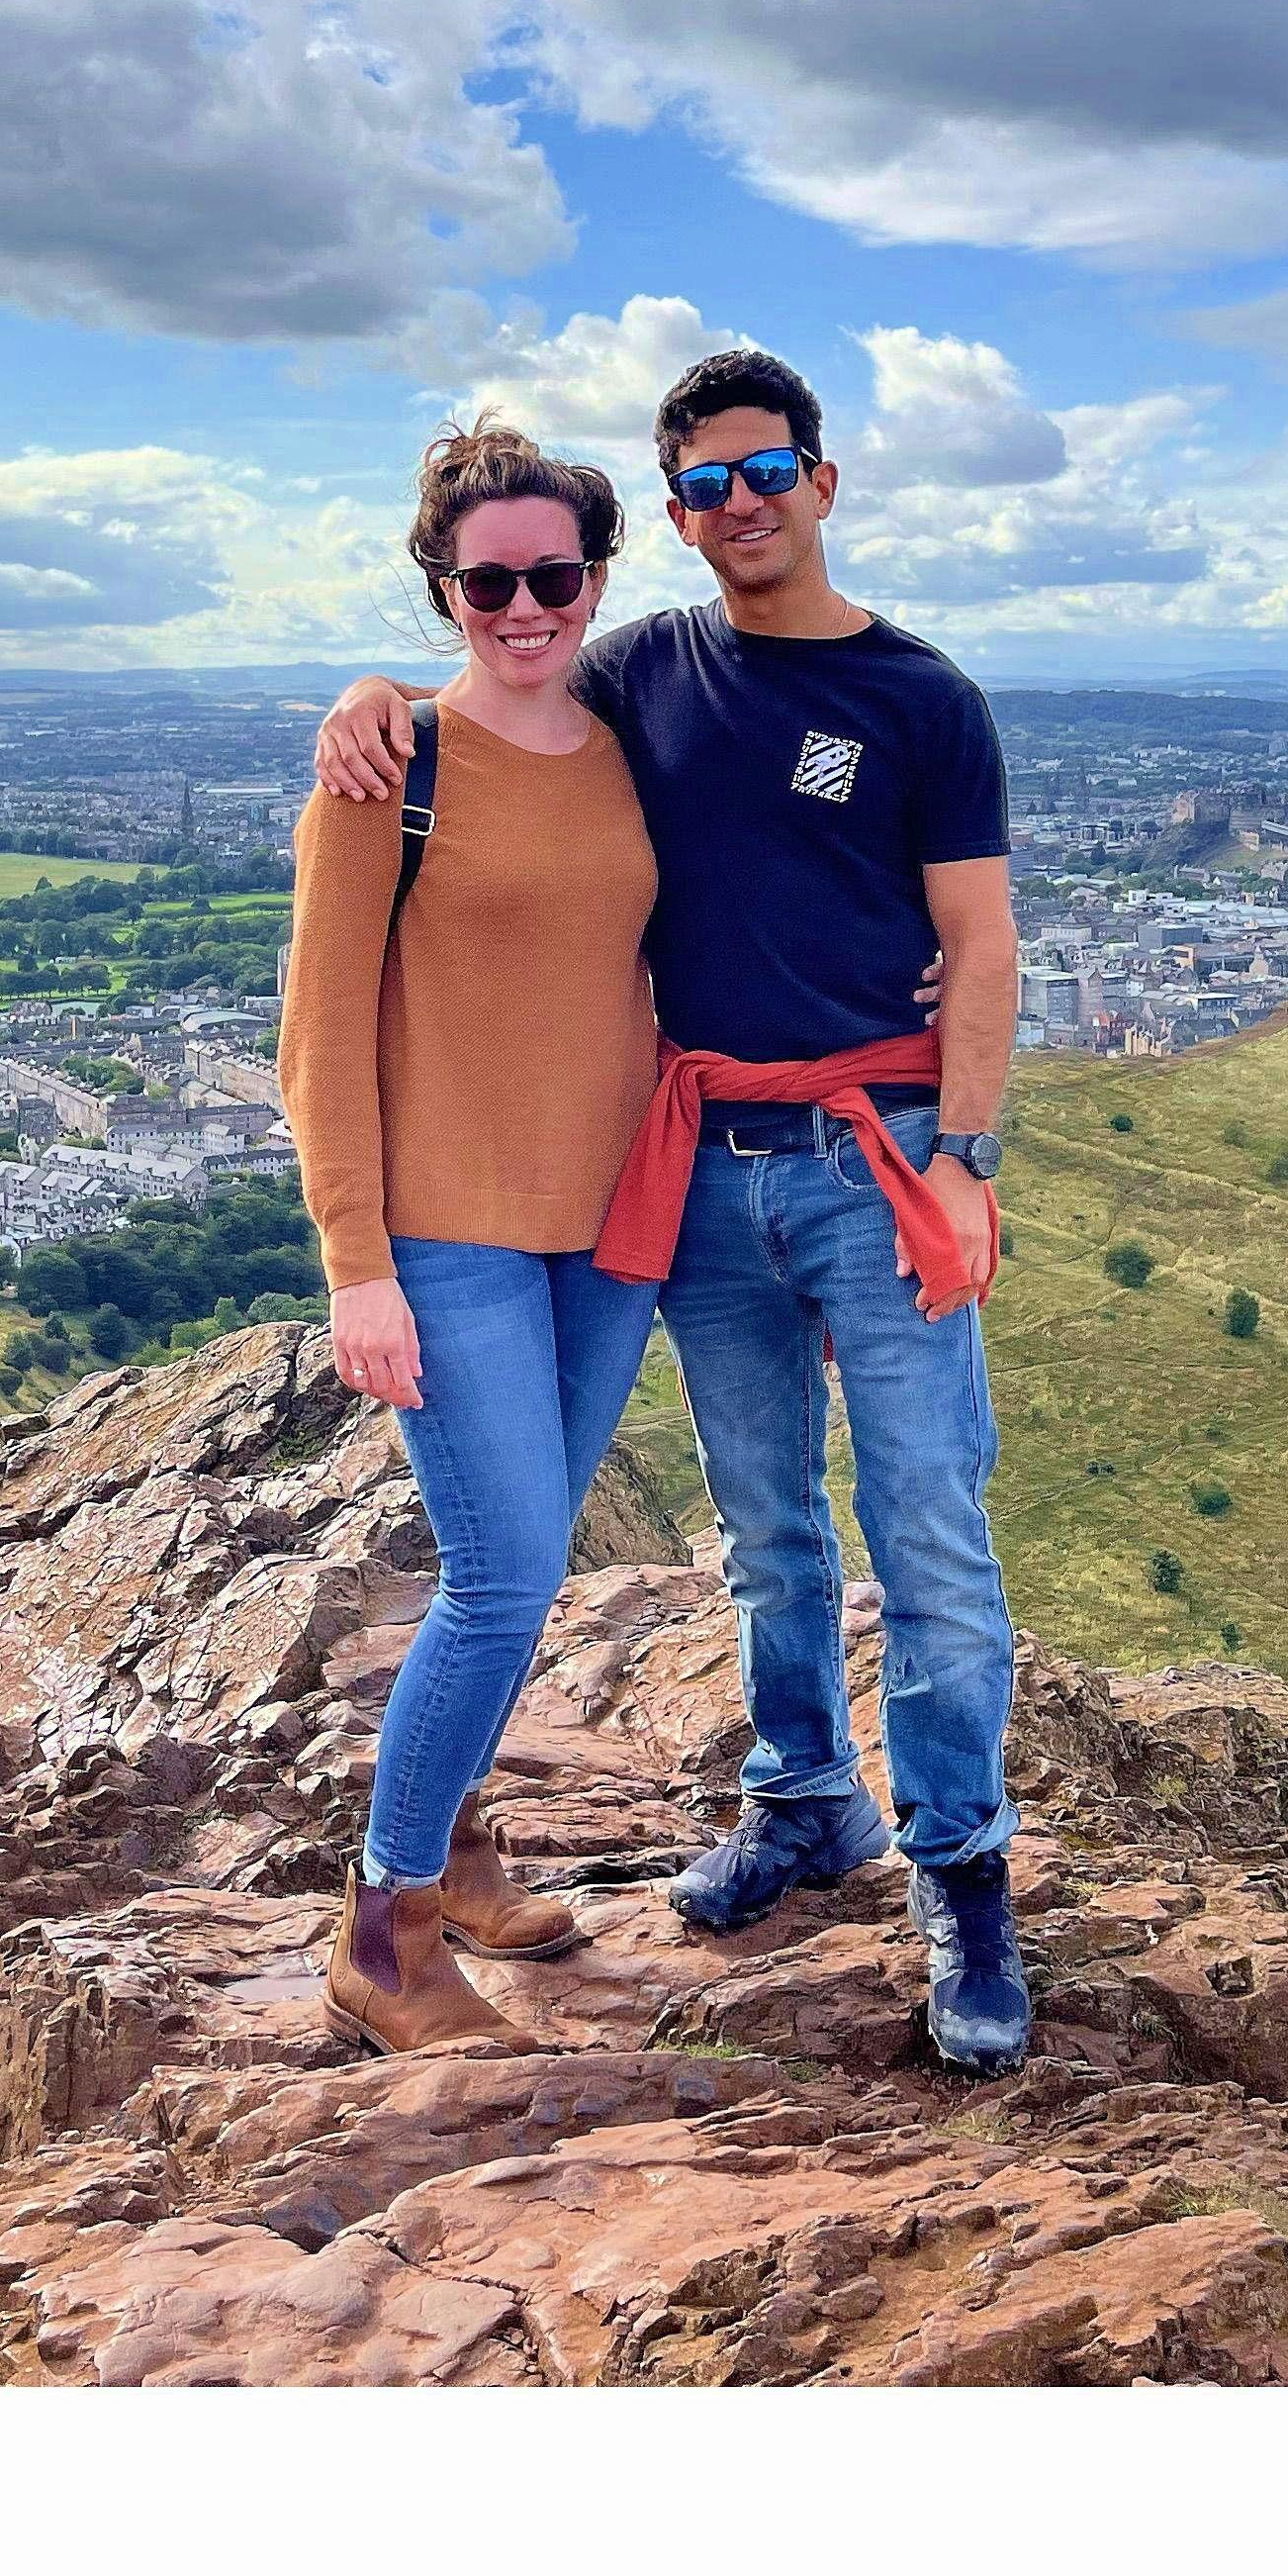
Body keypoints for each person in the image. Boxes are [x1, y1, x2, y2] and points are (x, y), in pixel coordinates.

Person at [312, 343, 1032, 2071]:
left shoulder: (898, 702)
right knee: (733, 1531)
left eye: (764, 471)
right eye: (702, 482)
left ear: (822, 480)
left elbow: (983, 940)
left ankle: (962, 1876)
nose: (740, 504)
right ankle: (761, 1811)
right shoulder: (593, 690)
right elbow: (344, 985)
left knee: (919, 1529)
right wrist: (361, 693)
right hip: (651, 1191)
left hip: (799, 1178)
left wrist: (965, 1155)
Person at [278, 419, 664, 2055]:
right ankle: (383, 1927)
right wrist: (356, 1263)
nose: (523, 605)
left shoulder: (637, 734)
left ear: (596, 578)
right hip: (447, 1234)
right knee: (501, 1576)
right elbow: (317, 1033)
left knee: (534, 1559)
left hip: (610, 1229)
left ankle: (461, 1844)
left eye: (552, 575)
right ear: (442, 587)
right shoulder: (391, 769)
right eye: (485, 579)